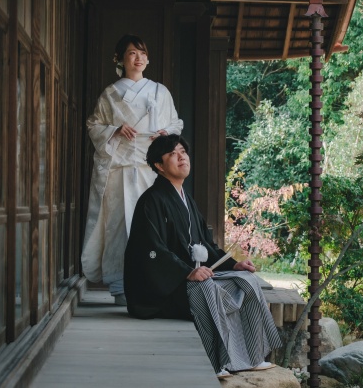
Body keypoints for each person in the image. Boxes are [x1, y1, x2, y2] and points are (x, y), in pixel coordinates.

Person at [124, 135, 282, 378]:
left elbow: (207, 245)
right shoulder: (151, 200)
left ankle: (253, 356)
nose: (182, 156)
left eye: (183, 151)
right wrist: (187, 271)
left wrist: (234, 264)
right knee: (207, 289)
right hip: (163, 290)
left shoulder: (187, 201)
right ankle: (218, 361)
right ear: (158, 165)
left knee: (246, 281)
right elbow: (150, 250)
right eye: (173, 154)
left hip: (191, 278)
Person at [82, 34, 183, 305]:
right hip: (120, 168)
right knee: (119, 225)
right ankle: (120, 286)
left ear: (147, 59)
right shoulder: (110, 94)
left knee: (152, 226)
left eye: (142, 53)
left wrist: (165, 133)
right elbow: (93, 125)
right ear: (121, 59)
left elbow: (176, 124)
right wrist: (115, 129)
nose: (138, 58)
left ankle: (153, 282)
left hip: (151, 169)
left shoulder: (161, 92)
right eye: (131, 53)